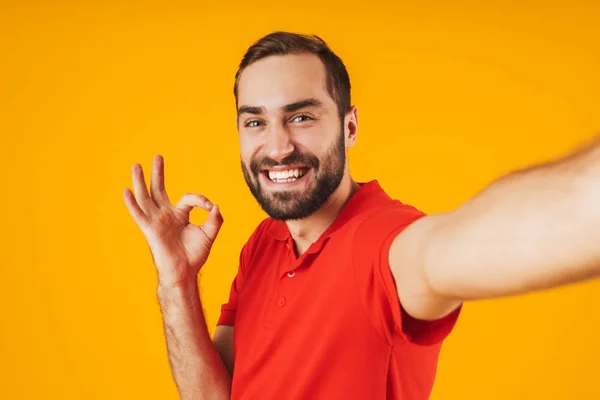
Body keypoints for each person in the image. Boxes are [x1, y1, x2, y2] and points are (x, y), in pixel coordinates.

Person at [123, 31, 600, 400]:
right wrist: (177, 282)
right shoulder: (264, 243)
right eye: (255, 122)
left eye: (302, 117)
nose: (276, 146)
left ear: (349, 127)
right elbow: (212, 395)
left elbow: (466, 243)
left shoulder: (387, 244)